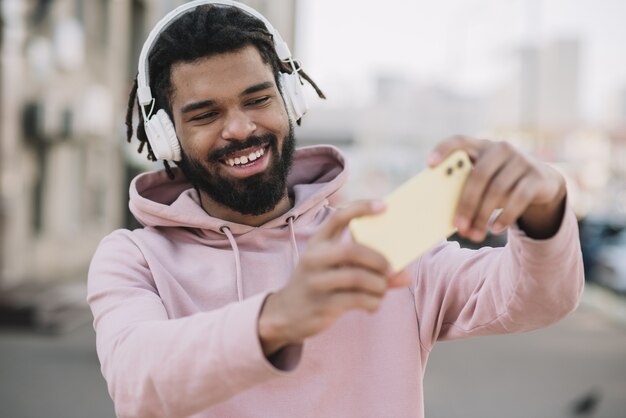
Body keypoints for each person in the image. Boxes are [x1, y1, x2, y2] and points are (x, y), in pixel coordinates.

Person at [87, 1, 584, 417]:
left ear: (290, 100)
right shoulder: (133, 258)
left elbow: (540, 300)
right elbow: (137, 382)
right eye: (206, 114)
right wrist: (279, 316)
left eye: (257, 99)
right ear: (167, 137)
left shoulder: (379, 239)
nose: (239, 128)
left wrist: (546, 203)